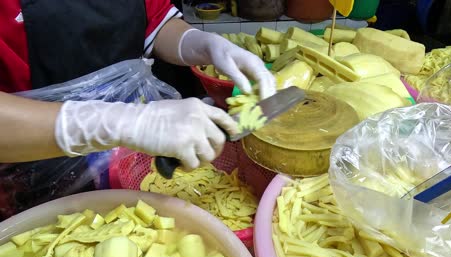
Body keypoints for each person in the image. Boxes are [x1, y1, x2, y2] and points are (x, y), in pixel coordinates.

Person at [0, 0, 276, 219]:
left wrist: (202, 45)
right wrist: (115, 123)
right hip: (31, 171)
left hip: (131, 154)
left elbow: (153, 20)